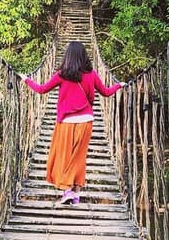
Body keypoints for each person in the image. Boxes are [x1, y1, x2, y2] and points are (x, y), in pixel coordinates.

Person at [21, 41, 125, 204]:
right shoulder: (91, 74)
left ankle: (68, 190)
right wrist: (119, 85)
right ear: (84, 56)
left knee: (63, 156)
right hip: (86, 121)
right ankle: (75, 194)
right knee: (79, 158)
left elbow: (41, 89)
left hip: (67, 122)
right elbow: (105, 92)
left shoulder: (62, 74)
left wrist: (26, 80)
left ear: (68, 56)